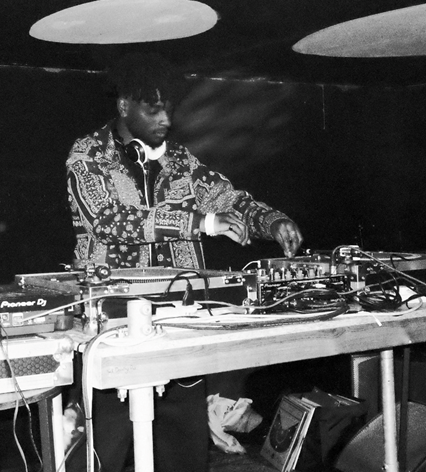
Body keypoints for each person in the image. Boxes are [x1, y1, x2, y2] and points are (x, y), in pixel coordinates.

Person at [64, 52, 303, 472]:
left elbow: (229, 200)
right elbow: (109, 220)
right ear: (124, 106)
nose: (166, 119)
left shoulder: (180, 160)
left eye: (169, 108)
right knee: (103, 453)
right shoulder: (87, 155)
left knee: (184, 453)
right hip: (113, 328)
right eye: (153, 109)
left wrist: (271, 220)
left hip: (179, 324)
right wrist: (201, 222)